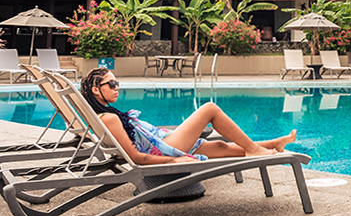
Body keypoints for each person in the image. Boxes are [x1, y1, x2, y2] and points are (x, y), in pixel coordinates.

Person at [82, 68, 296, 165]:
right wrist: (174, 160)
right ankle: (255, 149)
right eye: (112, 84)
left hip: (163, 141)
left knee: (220, 147)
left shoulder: (105, 115)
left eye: (117, 83)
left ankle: (273, 144)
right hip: (165, 148)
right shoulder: (109, 118)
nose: (117, 88)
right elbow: (137, 157)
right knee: (209, 109)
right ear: (95, 90)